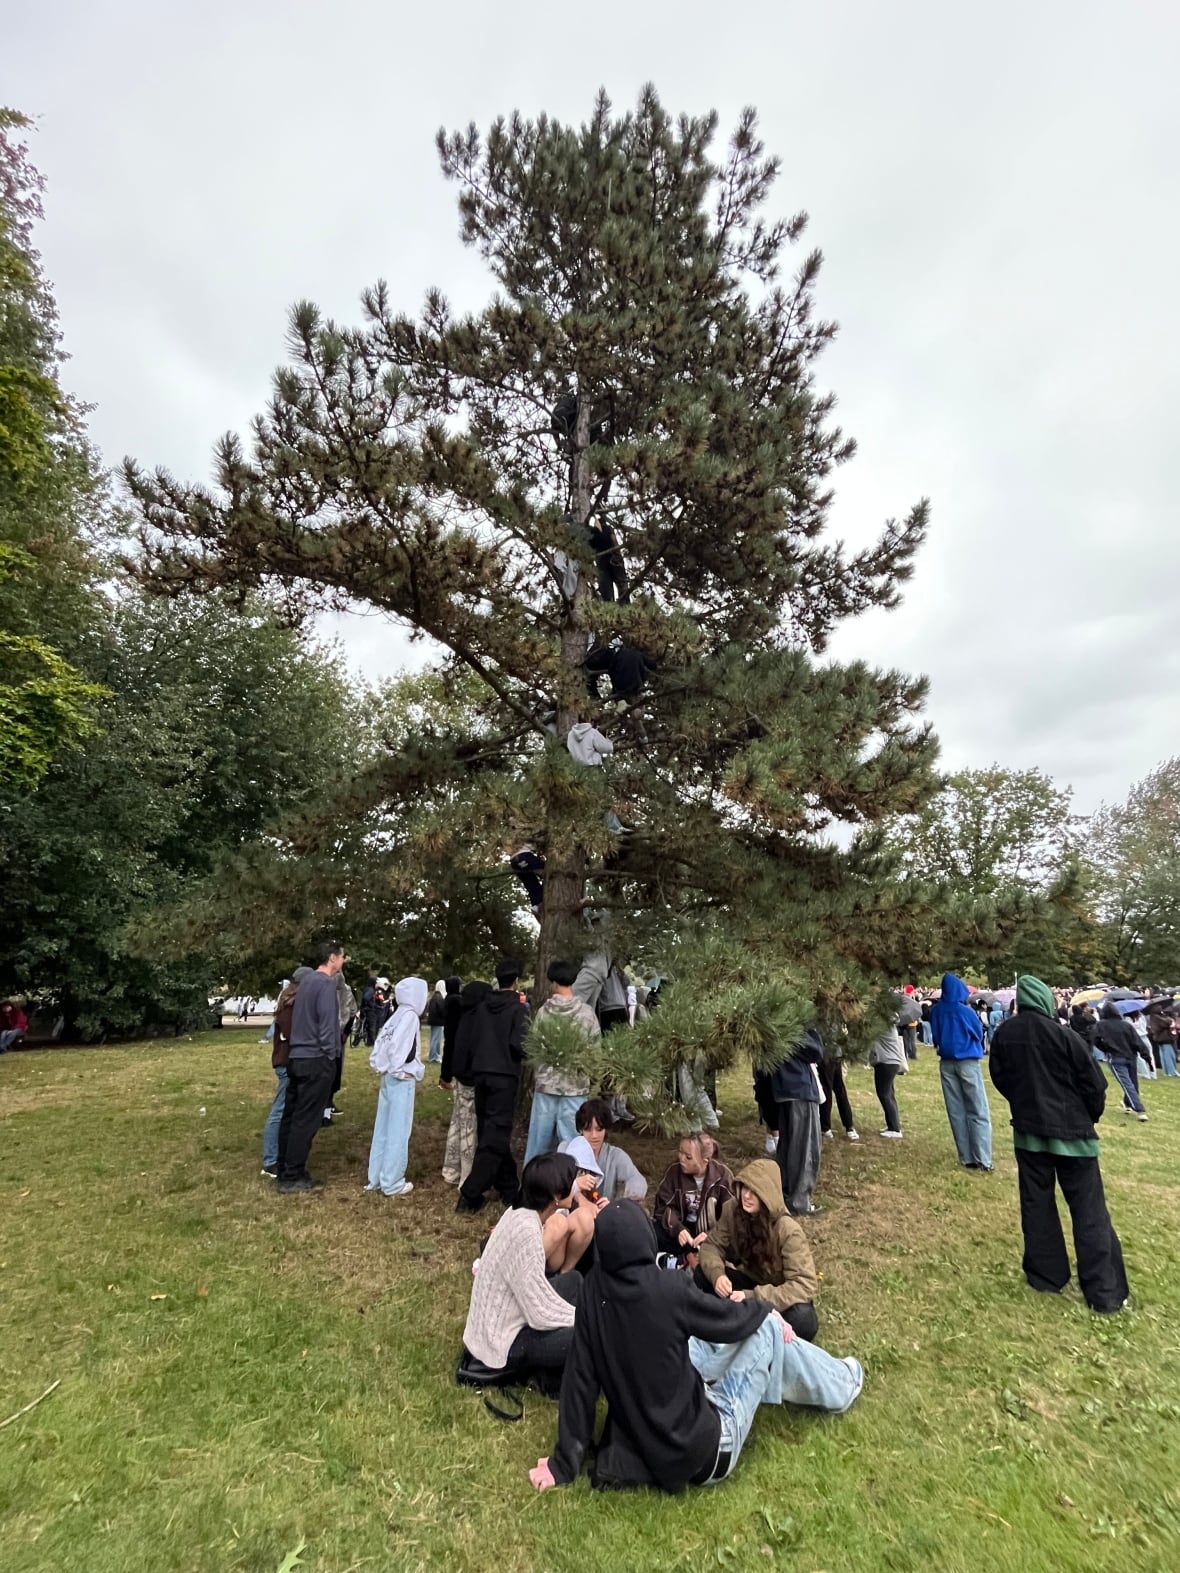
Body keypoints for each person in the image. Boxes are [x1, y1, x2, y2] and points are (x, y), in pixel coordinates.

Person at [530, 1200, 863, 1493]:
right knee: (765, 1330)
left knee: (717, 1337)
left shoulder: (593, 1291)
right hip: (709, 1450)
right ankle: (844, 1382)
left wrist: (564, 1463)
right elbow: (728, 1320)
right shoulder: (669, 1288)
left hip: (653, 1437)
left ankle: (827, 1375)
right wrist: (766, 1311)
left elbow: (580, 1381)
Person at [989, 975, 1129, 1314]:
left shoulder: (1006, 1035)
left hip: (1035, 1133)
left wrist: (1024, 1104)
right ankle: (1104, 1290)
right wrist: (1085, 1116)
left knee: (1037, 1205)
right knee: (1089, 1211)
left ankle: (1045, 1275)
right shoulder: (1064, 1037)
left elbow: (1001, 1076)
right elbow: (1094, 1085)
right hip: (1069, 1134)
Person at [460, 1152, 582, 1381]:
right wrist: (585, 1317)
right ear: (556, 1195)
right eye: (572, 1181)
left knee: (574, 1281)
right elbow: (539, 1313)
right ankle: (552, 1383)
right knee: (580, 1335)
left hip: (502, 1321)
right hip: (501, 1344)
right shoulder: (526, 1233)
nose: (576, 1186)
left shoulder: (519, 1211)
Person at [695, 1160, 820, 1340]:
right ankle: (737, 1322)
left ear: (767, 1195)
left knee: (804, 1320)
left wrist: (752, 1297)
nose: (746, 1196)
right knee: (702, 1274)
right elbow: (711, 1246)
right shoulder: (732, 1209)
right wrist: (718, 1276)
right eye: (744, 1188)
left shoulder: (788, 1230)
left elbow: (804, 1284)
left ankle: (749, 1322)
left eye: (754, 1192)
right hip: (750, 1281)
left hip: (777, 1294)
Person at [457, 961, 529, 1214]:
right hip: (504, 1076)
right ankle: (470, 1193)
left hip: (481, 1074)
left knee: (490, 1131)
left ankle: (509, 1188)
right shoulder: (518, 1010)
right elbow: (519, 1045)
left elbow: (472, 1039)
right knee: (495, 1136)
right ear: (516, 982)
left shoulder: (482, 1008)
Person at [277, 940, 346, 1193]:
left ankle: (285, 1168)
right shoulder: (325, 984)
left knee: (292, 1115)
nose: (343, 961)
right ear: (332, 958)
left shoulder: (305, 983)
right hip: (316, 1059)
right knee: (306, 1120)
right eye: (342, 956)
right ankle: (292, 1176)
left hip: (297, 1057)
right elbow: (328, 1024)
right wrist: (330, 1056)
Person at [524, 960, 600, 1164]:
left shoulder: (543, 1013)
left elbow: (534, 1050)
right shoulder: (586, 1014)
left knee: (538, 1144)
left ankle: (533, 1187)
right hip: (575, 1088)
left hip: (547, 1087)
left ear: (553, 983)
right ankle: (575, 1187)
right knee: (574, 1144)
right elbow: (595, 1053)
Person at [365, 976, 428, 1197]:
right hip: (400, 1079)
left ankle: (376, 1177)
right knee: (398, 1130)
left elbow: (382, 1045)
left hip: (387, 1077)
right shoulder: (410, 1016)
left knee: (383, 1128)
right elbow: (399, 1049)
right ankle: (392, 1181)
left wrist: (382, 1066)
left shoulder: (397, 1015)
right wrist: (405, 1071)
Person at [930, 973, 993, 1171]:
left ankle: (966, 1157)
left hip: (946, 1062)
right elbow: (977, 1031)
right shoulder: (965, 1011)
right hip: (967, 1061)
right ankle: (983, 1158)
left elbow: (936, 1036)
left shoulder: (937, 1010)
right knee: (977, 1109)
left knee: (956, 1111)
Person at [769, 1027, 824, 1215]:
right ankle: (799, 1202)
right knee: (805, 1147)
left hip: (781, 1088)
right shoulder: (794, 1018)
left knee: (788, 1147)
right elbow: (815, 1051)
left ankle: (784, 1194)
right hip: (799, 1087)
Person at [652, 1132, 735, 1259]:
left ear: (705, 1160)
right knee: (653, 1232)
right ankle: (679, 1259)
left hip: (712, 1233)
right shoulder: (674, 1172)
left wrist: (711, 1235)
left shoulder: (723, 1176)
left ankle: (686, 1259)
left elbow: (731, 1216)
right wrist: (678, 1229)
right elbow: (663, 1206)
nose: (681, 1158)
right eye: (680, 1152)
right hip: (682, 1229)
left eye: (688, 1157)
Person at [261, 968, 309, 1178]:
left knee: (287, 1109)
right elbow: (292, 1034)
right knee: (280, 1110)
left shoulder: (289, 1001)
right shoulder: (292, 1005)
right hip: (287, 1062)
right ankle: (271, 1159)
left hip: (288, 1061)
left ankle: (281, 1153)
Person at [442, 979, 486, 1187]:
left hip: (460, 1078)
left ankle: (451, 1169)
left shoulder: (462, 1017)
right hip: (470, 1080)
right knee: (469, 1129)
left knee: (456, 1125)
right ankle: (466, 1178)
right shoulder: (477, 1021)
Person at [559, 1099, 647, 1201]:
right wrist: (576, 1187)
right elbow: (555, 1185)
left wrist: (616, 1206)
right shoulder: (566, 1150)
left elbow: (639, 1183)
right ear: (580, 1129)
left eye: (599, 1129)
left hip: (605, 1212)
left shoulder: (615, 1156)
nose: (594, 1135)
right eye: (588, 1129)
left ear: (606, 1129)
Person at [1094, 1002, 1148, 1119]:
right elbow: (1137, 1041)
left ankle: (1139, 1109)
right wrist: (1146, 1056)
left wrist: (1106, 1048)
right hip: (1130, 1056)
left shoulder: (1101, 1025)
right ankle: (1129, 1103)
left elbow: (1095, 1039)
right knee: (1133, 1082)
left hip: (1115, 1057)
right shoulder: (1126, 1025)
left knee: (1127, 1083)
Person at [869, 1013, 906, 1138]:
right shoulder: (891, 1025)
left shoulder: (882, 1026)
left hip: (885, 1062)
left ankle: (895, 1129)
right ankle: (893, 1124)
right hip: (891, 1062)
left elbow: (868, 1032)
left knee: (884, 1095)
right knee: (889, 1094)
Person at [817, 1031, 859, 1142]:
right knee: (840, 1090)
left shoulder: (824, 1017)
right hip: (836, 1054)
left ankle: (825, 1128)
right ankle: (849, 1126)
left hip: (827, 1055)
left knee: (827, 1090)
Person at [1147, 1001, 1178, 1077]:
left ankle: (1167, 1071)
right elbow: (1166, 1022)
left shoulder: (1155, 1016)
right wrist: (1170, 1020)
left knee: (1164, 1055)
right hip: (1164, 1037)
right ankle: (1171, 1071)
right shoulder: (1156, 1017)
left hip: (1160, 1038)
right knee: (1169, 1055)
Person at [896, 988, 921, 1060]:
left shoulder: (902, 1000)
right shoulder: (912, 1002)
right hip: (912, 1023)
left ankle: (905, 1054)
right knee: (912, 1040)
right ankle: (913, 1054)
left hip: (904, 1023)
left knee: (905, 1040)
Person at [426, 980, 446, 1065]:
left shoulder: (435, 996)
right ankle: (433, 1057)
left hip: (435, 1021)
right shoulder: (439, 997)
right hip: (438, 1021)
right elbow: (441, 1010)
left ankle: (435, 1056)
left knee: (435, 1039)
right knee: (436, 1040)